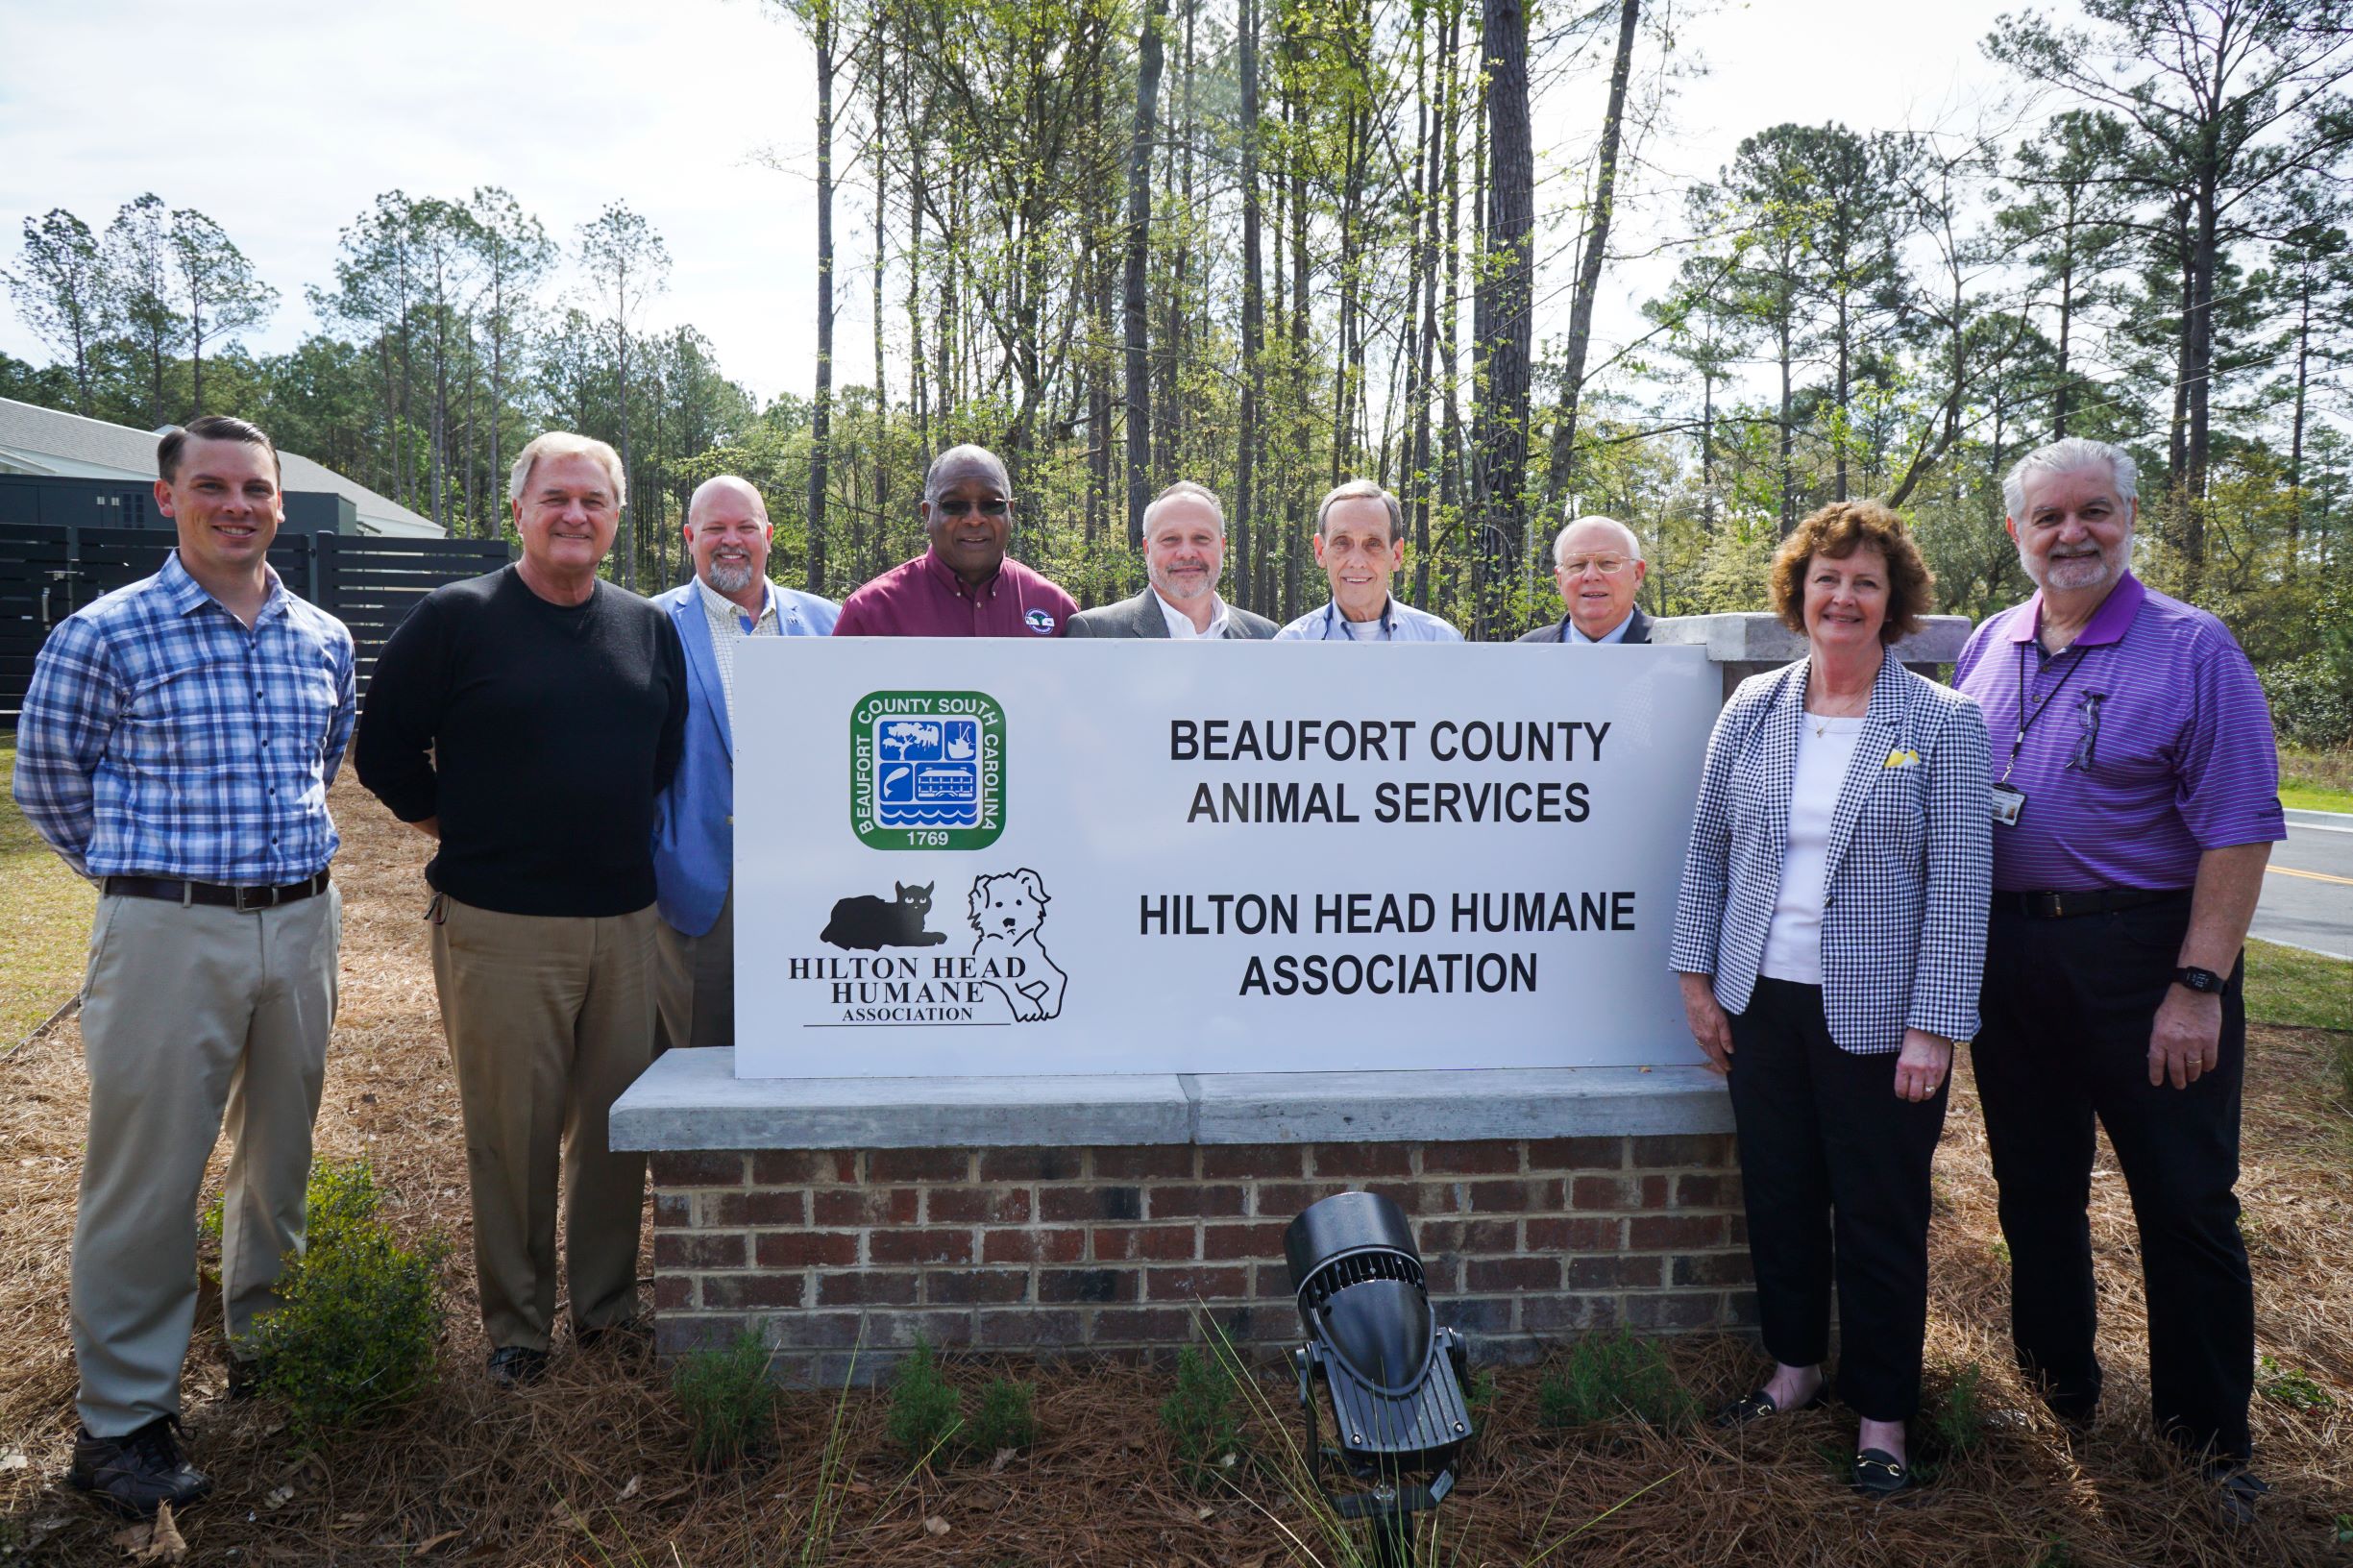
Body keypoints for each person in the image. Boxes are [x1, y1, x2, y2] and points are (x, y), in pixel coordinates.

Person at [13, 416, 355, 1516]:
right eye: (211, 486)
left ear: (280, 503)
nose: (236, 505)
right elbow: (51, 788)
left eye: (255, 487)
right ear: (168, 499)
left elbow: (325, 759)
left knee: (280, 1151)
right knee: (148, 1176)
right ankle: (123, 1421)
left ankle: (270, 1341)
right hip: (168, 929)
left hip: (301, 923)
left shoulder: (322, 637)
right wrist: (148, 887)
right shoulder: (104, 634)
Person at [1954, 438, 2283, 1524]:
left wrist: (2198, 982)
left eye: (2093, 511)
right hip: (2014, 963)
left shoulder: (2192, 648)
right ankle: (2059, 1397)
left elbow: (2237, 828)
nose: (2071, 534)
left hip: (2147, 959)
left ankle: (2209, 1442)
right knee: (2033, 1191)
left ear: (2127, 517)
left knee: (2183, 1203)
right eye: (2047, 517)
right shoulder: (1986, 648)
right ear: (2016, 534)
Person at [1669, 498, 1989, 1497]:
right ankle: (1793, 1369)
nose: (1841, 597)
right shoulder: (1753, 708)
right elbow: (1709, 849)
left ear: (1890, 605)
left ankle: (1884, 1417)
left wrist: (1935, 1025)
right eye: (1825, 579)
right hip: (1762, 1001)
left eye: (1863, 582)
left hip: (1882, 1024)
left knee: (1880, 1215)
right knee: (1780, 1198)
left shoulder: (1941, 722)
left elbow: (1961, 883)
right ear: (1797, 594)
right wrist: (1696, 979)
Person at [355, 431, 687, 1386]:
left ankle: (607, 1309)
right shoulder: (455, 619)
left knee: (616, 1128)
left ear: (617, 519)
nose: (574, 515)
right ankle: (517, 1329)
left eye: (593, 500)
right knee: (513, 1134)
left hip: (627, 923)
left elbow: (663, 752)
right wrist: (470, 833)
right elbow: (383, 755)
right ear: (518, 512)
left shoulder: (644, 626)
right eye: (556, 499)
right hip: (498, 924)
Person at [651, 476, 839, 1052]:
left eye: (745, 528)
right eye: (714, 529)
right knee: (697, 1059)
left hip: (815, 883)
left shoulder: (832, 624)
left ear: (769, 536)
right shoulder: (649, 625)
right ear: (689, 538)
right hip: (702, 887)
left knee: (807, 1044)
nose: (731, 540)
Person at [831, 444, 1077, 637]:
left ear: (1010, 511)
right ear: (927, 514)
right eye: (954, 505)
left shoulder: (1057, 608)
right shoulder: (870, 613)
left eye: (992, 505)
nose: (974, 519)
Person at [1066, 480, 1279, 640]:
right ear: (1147, 549)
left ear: (1222, 547)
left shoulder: (1265, 635)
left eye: (1201, 538)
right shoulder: (1096, 632)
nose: (1186, 553)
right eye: (1170, 539)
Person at [1273, 479, 1461, 642]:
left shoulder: (1439, 642)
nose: (1357, 561)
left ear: (1396, 554)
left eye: (1373, 543)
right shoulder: (1292, 645)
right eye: (1342, 542)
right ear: (1321, 551)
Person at [1517, 514, 1652, 645]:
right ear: (1560, 580)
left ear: (1637, 574)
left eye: (1607, 562)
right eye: (1577, 564)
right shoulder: (1521, 655)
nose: (1591, 576)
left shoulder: (1669, 646)